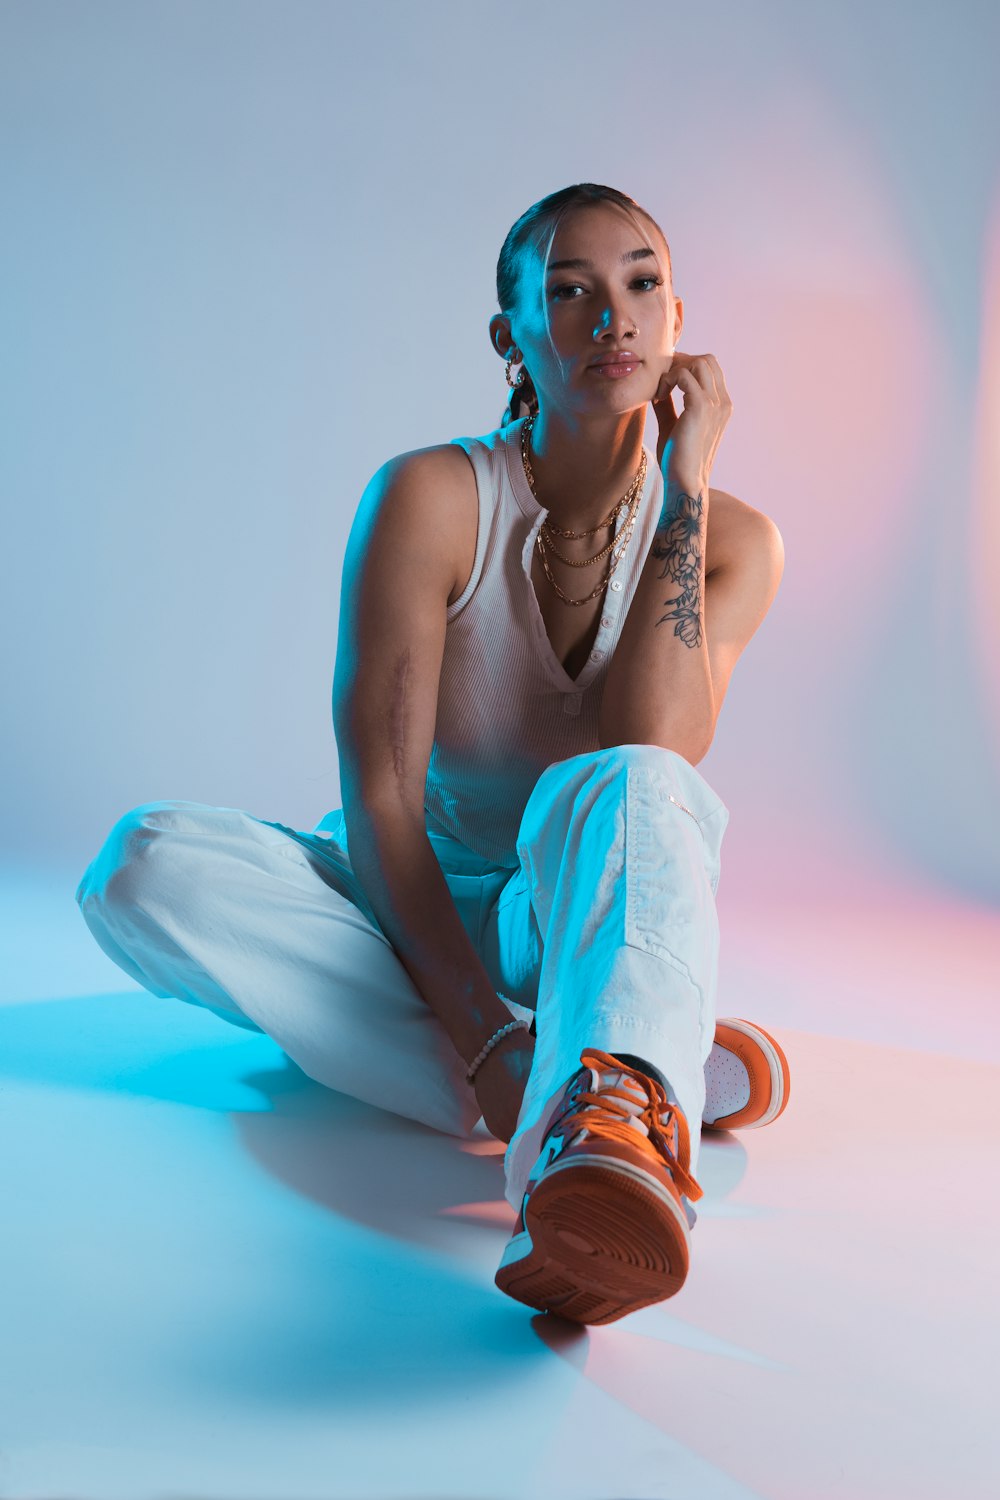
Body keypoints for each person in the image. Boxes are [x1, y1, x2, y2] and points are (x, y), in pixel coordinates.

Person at [75, 182, 789, 1327]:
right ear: (512, 337)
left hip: (566, 912)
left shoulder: (734, 539)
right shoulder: (432, 497)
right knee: (141, 869)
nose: (615, 317)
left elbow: (654, 747)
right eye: (570, 292)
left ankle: (597, 1134)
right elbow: (381, 801)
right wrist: (485, 1040)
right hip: (413, 897)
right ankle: (616, 1079)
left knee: (641, 781)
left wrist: (686, 484)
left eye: (641, 285)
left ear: (676, 315)